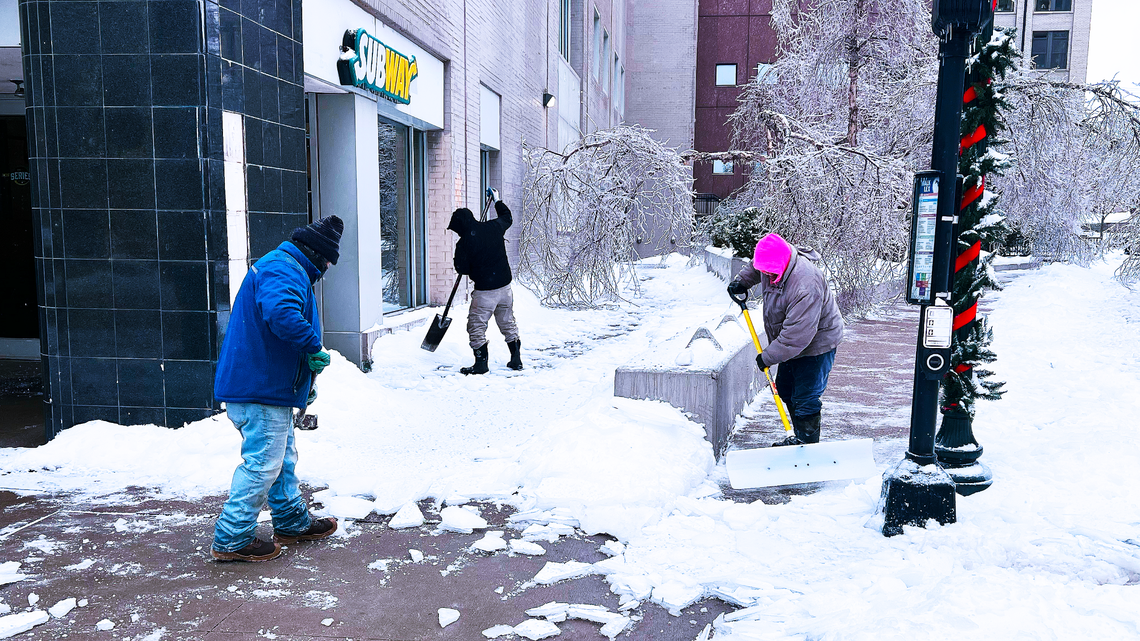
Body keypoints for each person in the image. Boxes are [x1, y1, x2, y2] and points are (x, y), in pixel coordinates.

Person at [211, 216, 343, 562]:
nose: (328, 268)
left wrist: (303, 383)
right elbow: (282, 314)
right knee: (262, 465)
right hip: (259, 389)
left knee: (281, 461)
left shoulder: (285, 266)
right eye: (329, 261)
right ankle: (232, 538)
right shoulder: (283, 269)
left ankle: (291, 523)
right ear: (317, 254)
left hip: (269, 387)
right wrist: (313, 347)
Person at [727, 233, 845, 447]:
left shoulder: (806, 284)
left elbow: (796, 335)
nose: (767, 276)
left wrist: (768, 357)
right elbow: (757, 266)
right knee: (785, 387)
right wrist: (742, 282)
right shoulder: (772, 263)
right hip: (791, 342)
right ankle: (800, 434)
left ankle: (807, 446)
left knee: (805, 397)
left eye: (770, 272)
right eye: (765, 272)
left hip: (817, 343)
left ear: (783, 264)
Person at [447, 188, 523, 375]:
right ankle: (516, 359)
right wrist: (497, 200)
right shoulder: (493, 227)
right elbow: (507, 217)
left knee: (476, 326)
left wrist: (471, 262)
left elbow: (461, 269)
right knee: (507, 323)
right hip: (505, 288)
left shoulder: (464, 243)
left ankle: (481, 364)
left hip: (485, 293)